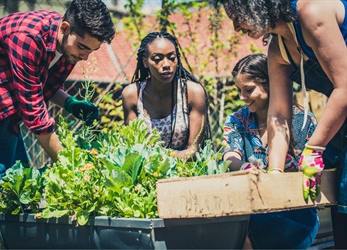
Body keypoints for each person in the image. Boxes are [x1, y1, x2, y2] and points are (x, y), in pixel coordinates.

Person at [0, 0, 115, 248]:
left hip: (5, 109)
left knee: (15, 187)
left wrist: (69, 102)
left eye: (91, 51)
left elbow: (40, 83)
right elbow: (36, 117)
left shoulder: (66, 44)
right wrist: (71, 166)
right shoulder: (27, 37)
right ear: (65, 27)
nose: (84, 56)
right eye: (82, 47)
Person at [216, 0, 347, 247]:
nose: (235, 27)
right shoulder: (278, 49)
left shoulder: (312, 12)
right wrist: (274, 173)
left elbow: (345, 87)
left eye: (236, 16)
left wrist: (314, 148)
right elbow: (278, 117)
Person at [223, 53, 319, 249]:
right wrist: (244, 167)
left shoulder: (302, 120)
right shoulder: (238, 120)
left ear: (269, 83)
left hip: (295, 213)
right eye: (239, 90)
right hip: (252, 210)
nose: (242, 97)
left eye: (248, 90)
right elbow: (230, 155)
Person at [122, 31, 210, 159]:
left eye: (172, 58)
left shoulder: (192, 93)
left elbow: (193, 150)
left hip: (185, 170)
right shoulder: (132, 95)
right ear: (145, 62)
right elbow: (133, 146)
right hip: (146, 172)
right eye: (157, 59)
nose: (167, 65)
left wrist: (162, 160)